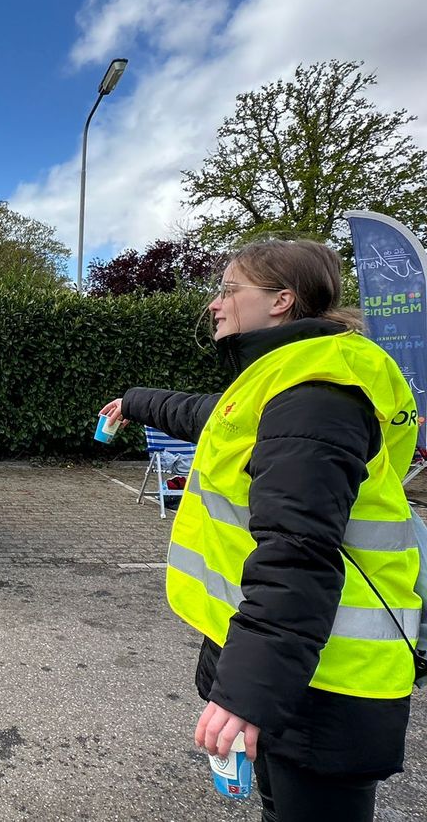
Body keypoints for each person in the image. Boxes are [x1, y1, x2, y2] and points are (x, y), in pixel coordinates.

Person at [100, 240, 421, 821]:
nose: (215, 305)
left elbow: (298, 551)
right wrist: (136, 401)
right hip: (301, 664)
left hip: (328, 677)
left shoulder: (315, 397)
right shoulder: (284, 379)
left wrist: (250, 692)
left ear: (281, 300)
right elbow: (209, 416)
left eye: (228, 290)